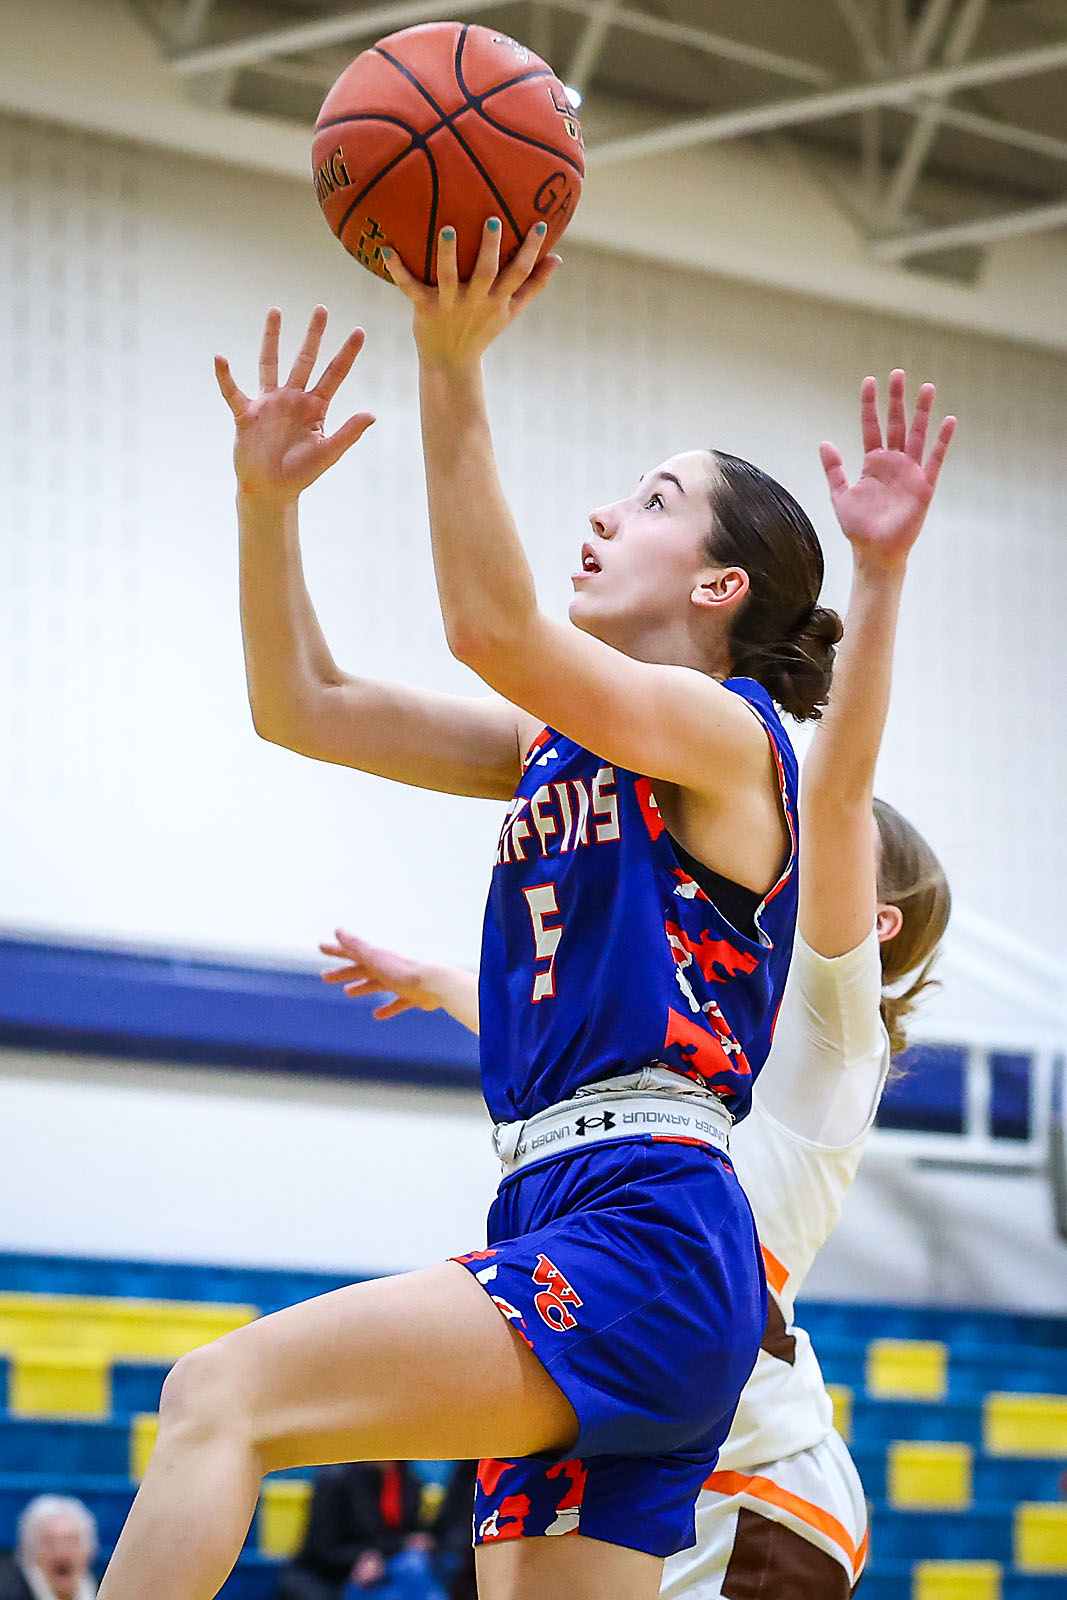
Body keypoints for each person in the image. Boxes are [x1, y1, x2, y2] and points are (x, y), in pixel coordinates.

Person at [100, 219, 878, 1600]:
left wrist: (448, 360)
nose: (605, 516)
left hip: (645, 1222)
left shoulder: (726, 736)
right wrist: (265, 506)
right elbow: (304, 706)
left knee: (218, 1395)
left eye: (650, 500)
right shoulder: (549, 743)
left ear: (718, 585)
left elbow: (490, 628)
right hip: (561, 1206)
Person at [320, 369, 954, 1598]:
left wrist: (877, 578)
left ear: (868, 920)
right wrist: (441, 977)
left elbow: (831, 789)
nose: (794, 847)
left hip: (756, 1484)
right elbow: (594, 1015)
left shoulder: (829, 1031)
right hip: (648, 1412)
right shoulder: (708, 984)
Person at [274, 1462, 443, 1600]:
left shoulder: (407, 1480)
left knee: (415, 1566)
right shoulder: (335, 1479)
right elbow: (322, 1549)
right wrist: (363, 1558)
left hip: (382, 1569)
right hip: (328, 1576)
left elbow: (406, 1533)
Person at [0, 1496, 98, 1600]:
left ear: (89, 1550)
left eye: (71, 1542)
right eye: (49, 1543)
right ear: (29, 1552)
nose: (61, 1553)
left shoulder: (105, 1590)